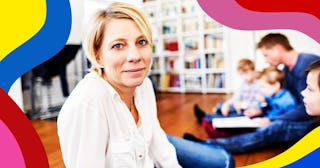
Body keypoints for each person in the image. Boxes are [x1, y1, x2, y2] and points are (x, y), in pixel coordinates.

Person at [57, 2, 181, 167]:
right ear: (98, 56)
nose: (134, 56)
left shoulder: (144, 86)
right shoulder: (88, 105)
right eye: (118, 45)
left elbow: (160, 148)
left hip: (146, 151)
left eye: (142, 42)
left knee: (219, 160)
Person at [201, 33, 320, 153]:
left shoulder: (308, 63)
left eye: (266, 55)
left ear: (277, 49)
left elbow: (306, 110)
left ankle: (211, 145)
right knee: (253, 114)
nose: (266, 60)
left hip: (310, 122)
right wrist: (261, 110)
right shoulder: (286, 70)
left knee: (273, 127)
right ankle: (211, 119)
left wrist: (272, 119)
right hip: (291, 112)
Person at [189, 66, 297, 140]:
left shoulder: (284, 98)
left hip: (265, 119)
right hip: (258, 114)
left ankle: (212, 126)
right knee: (226, 107)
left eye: (264, 87)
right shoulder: (269, 92)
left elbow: (285, 118)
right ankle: (207, 117)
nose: (262, 89)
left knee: (240, 121)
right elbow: (265, 107)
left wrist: (261, 110)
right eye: (242, 74)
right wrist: (261, 105)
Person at [193, 58, 261, 138]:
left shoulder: (259, 84)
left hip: (250, 111)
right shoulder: (243, 84)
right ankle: (208, 115)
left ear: (254, 71)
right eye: (242, 74)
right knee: (221, 106)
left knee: (231, 115)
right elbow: (236, 98)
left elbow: (260, 104)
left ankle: (205, 117)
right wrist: (227, 104)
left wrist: (244, 105)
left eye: (246, 73)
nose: (244, 77)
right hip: (239, 108)